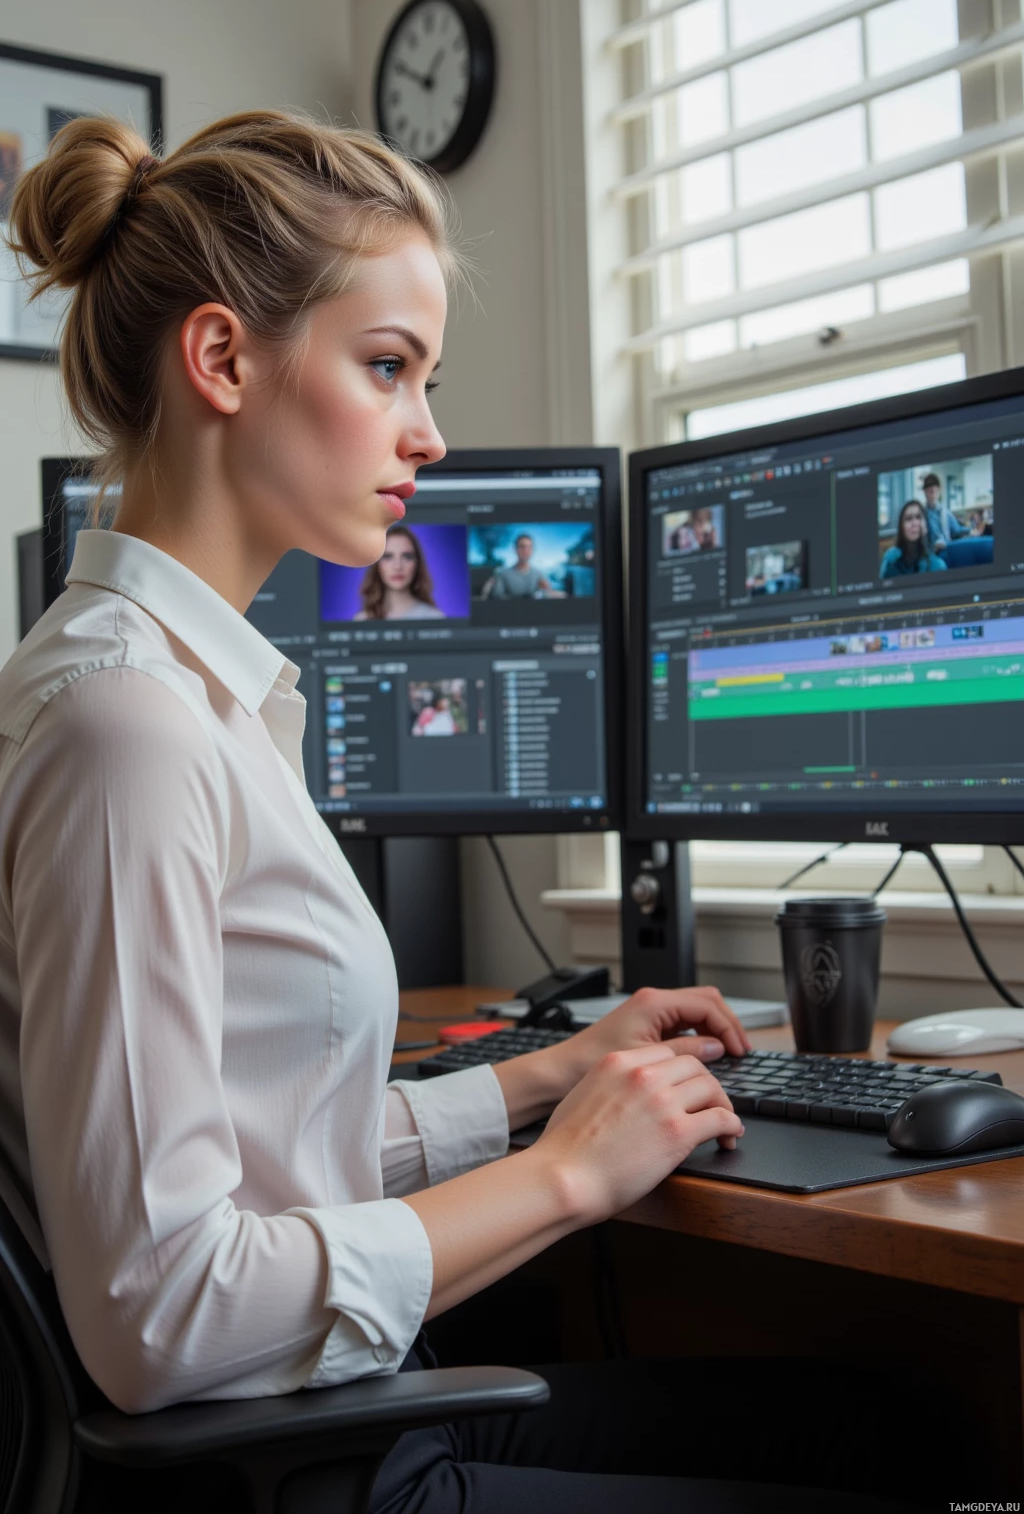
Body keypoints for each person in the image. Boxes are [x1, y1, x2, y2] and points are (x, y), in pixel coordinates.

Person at [0, 112, 926, 1514]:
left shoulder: (177, 699)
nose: (429, 434)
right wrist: (566, 1180)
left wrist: (539, 1084)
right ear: (223, 359)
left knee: (874, 1426)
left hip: (332, 1423)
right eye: (388, 369)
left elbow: (256, 1147)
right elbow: (160, 1310)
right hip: (309, 1472)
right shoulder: (125, 728)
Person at [355, 525, 445, 620]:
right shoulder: (363, 619)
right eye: (388, 557)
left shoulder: (434, 617)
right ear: (377, 564)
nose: (398, 566)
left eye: (407, 557)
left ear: (417, 563)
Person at [879, 501, 948, 578]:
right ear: (901, 527)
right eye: (908, 519)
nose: (914, 523)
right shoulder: (890, 558)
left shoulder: (937, 566)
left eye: (918, 517)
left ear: (926, 527)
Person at [483, 532, 553, 597]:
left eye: (529, 547)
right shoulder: (502, 573)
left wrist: (547, 592)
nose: (526, 550)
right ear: (515, 549)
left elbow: (548, 595)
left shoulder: (538, 574)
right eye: (522, 546)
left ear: (532, 550)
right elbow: (496, 599)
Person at [920, 471, 969, 550]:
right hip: (931, 553)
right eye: (930, 490)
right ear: (925, 492)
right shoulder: (922, 514)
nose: (933, 493)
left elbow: (957, 530)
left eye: (935, 490)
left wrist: (971, 531)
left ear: (939, 491)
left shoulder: (945, 512)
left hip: (947, 549)